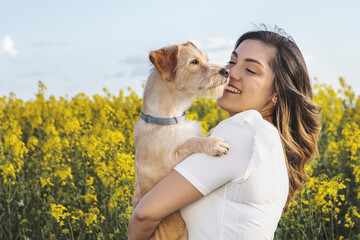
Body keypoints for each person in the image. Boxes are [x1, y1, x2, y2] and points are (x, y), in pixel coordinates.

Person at [127, 27, 322, 240]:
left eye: (250, 70)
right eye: (232, 61)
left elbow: (145, 214)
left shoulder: (245, 131)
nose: (231, 72)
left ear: (277, 93)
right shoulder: (263, 137)